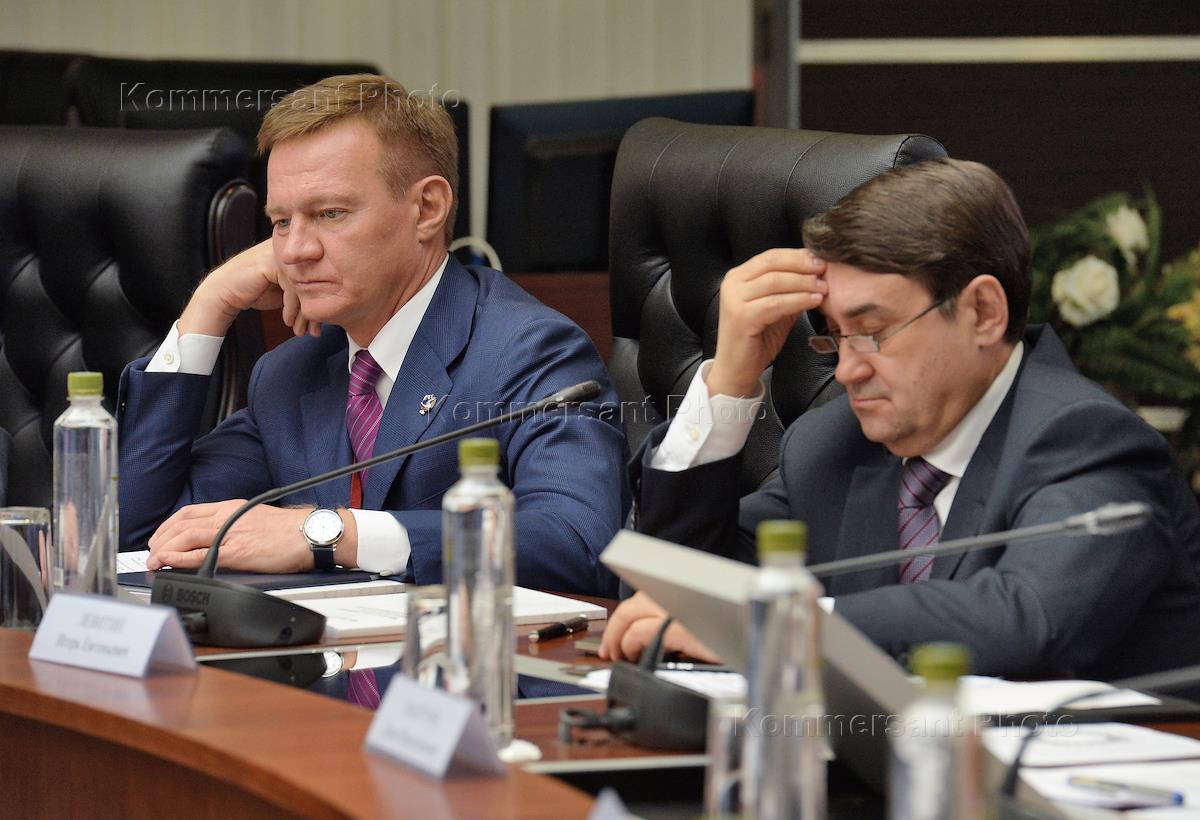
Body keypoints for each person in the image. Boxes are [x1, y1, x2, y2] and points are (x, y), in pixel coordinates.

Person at [600, 157, 1200, 680]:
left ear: (983, 312)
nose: (847, 370)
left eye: (873, 332)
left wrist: (783, 625)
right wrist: (728, 383)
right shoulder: (833, 445)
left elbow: (1026, 617)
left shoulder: (1086, 439)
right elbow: (670, 595)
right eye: (836, 337)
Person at [118, 74, 628, 596]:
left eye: (329, 214)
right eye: (280, 222)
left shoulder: (529, 351)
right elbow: (143, 538)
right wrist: (211, 303)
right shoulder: (291, 374)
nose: (294, 251)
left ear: (427, 208)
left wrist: (329, 534)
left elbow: (580, 542)